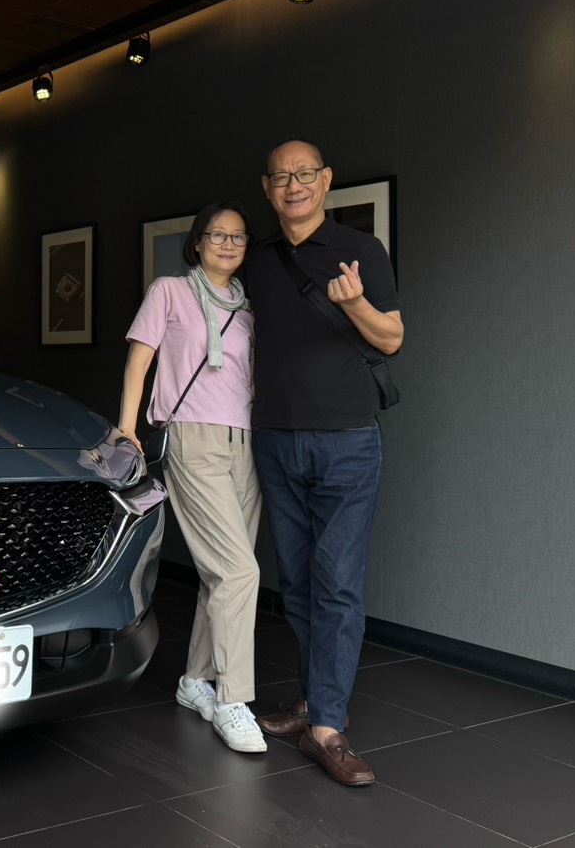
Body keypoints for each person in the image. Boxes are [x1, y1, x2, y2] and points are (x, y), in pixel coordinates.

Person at [242, 138, 403, 786]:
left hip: (347, 441)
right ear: (267, 188)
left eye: (304, 174)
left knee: (337, 581)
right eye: (281, 177)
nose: (294, 185)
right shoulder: (257, 262)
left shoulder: (361, 251)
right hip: (275, 438)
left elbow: (392, 338)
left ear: (326, 180)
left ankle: (328, 729)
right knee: (299, 583)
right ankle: (313, 701)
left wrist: (354, 303)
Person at [116, 202, 264, 753]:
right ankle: (232, 698)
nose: (227, 244)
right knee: (239, 570)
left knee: (221, 576)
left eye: (238, 236)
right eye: (217, 235)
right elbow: (140, 360)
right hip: (193, 441)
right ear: (197, 242)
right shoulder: (170, 292)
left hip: (245, 444)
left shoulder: (247, 309)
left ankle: (195, 681)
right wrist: (126, 428)